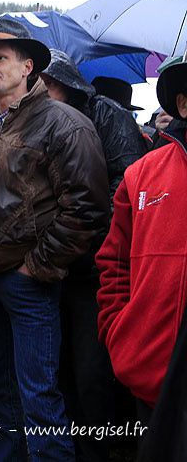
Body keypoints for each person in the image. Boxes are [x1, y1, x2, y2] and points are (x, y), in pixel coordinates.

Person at [0, 18, 109, 461]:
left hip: (27, 284)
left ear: (28, 66)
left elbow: (87, 209)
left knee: (39, 396)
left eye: (0, 58)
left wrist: (35, 266)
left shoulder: (64, 124)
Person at [40, 49, 148, 462]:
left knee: (92, 372)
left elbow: (129, 183)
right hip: (53, 264)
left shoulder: (105, 114)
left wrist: (83, 237)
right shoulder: (37, 121)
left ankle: (101, 449)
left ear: (66, 85)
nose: (41, 94)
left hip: (94, 268)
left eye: (48, 86)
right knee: (59, 368)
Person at [96, 56, 187, 433]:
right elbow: (113, 265)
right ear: (183, 104)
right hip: (154, 378)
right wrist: (124, 336)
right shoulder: (141, 176)